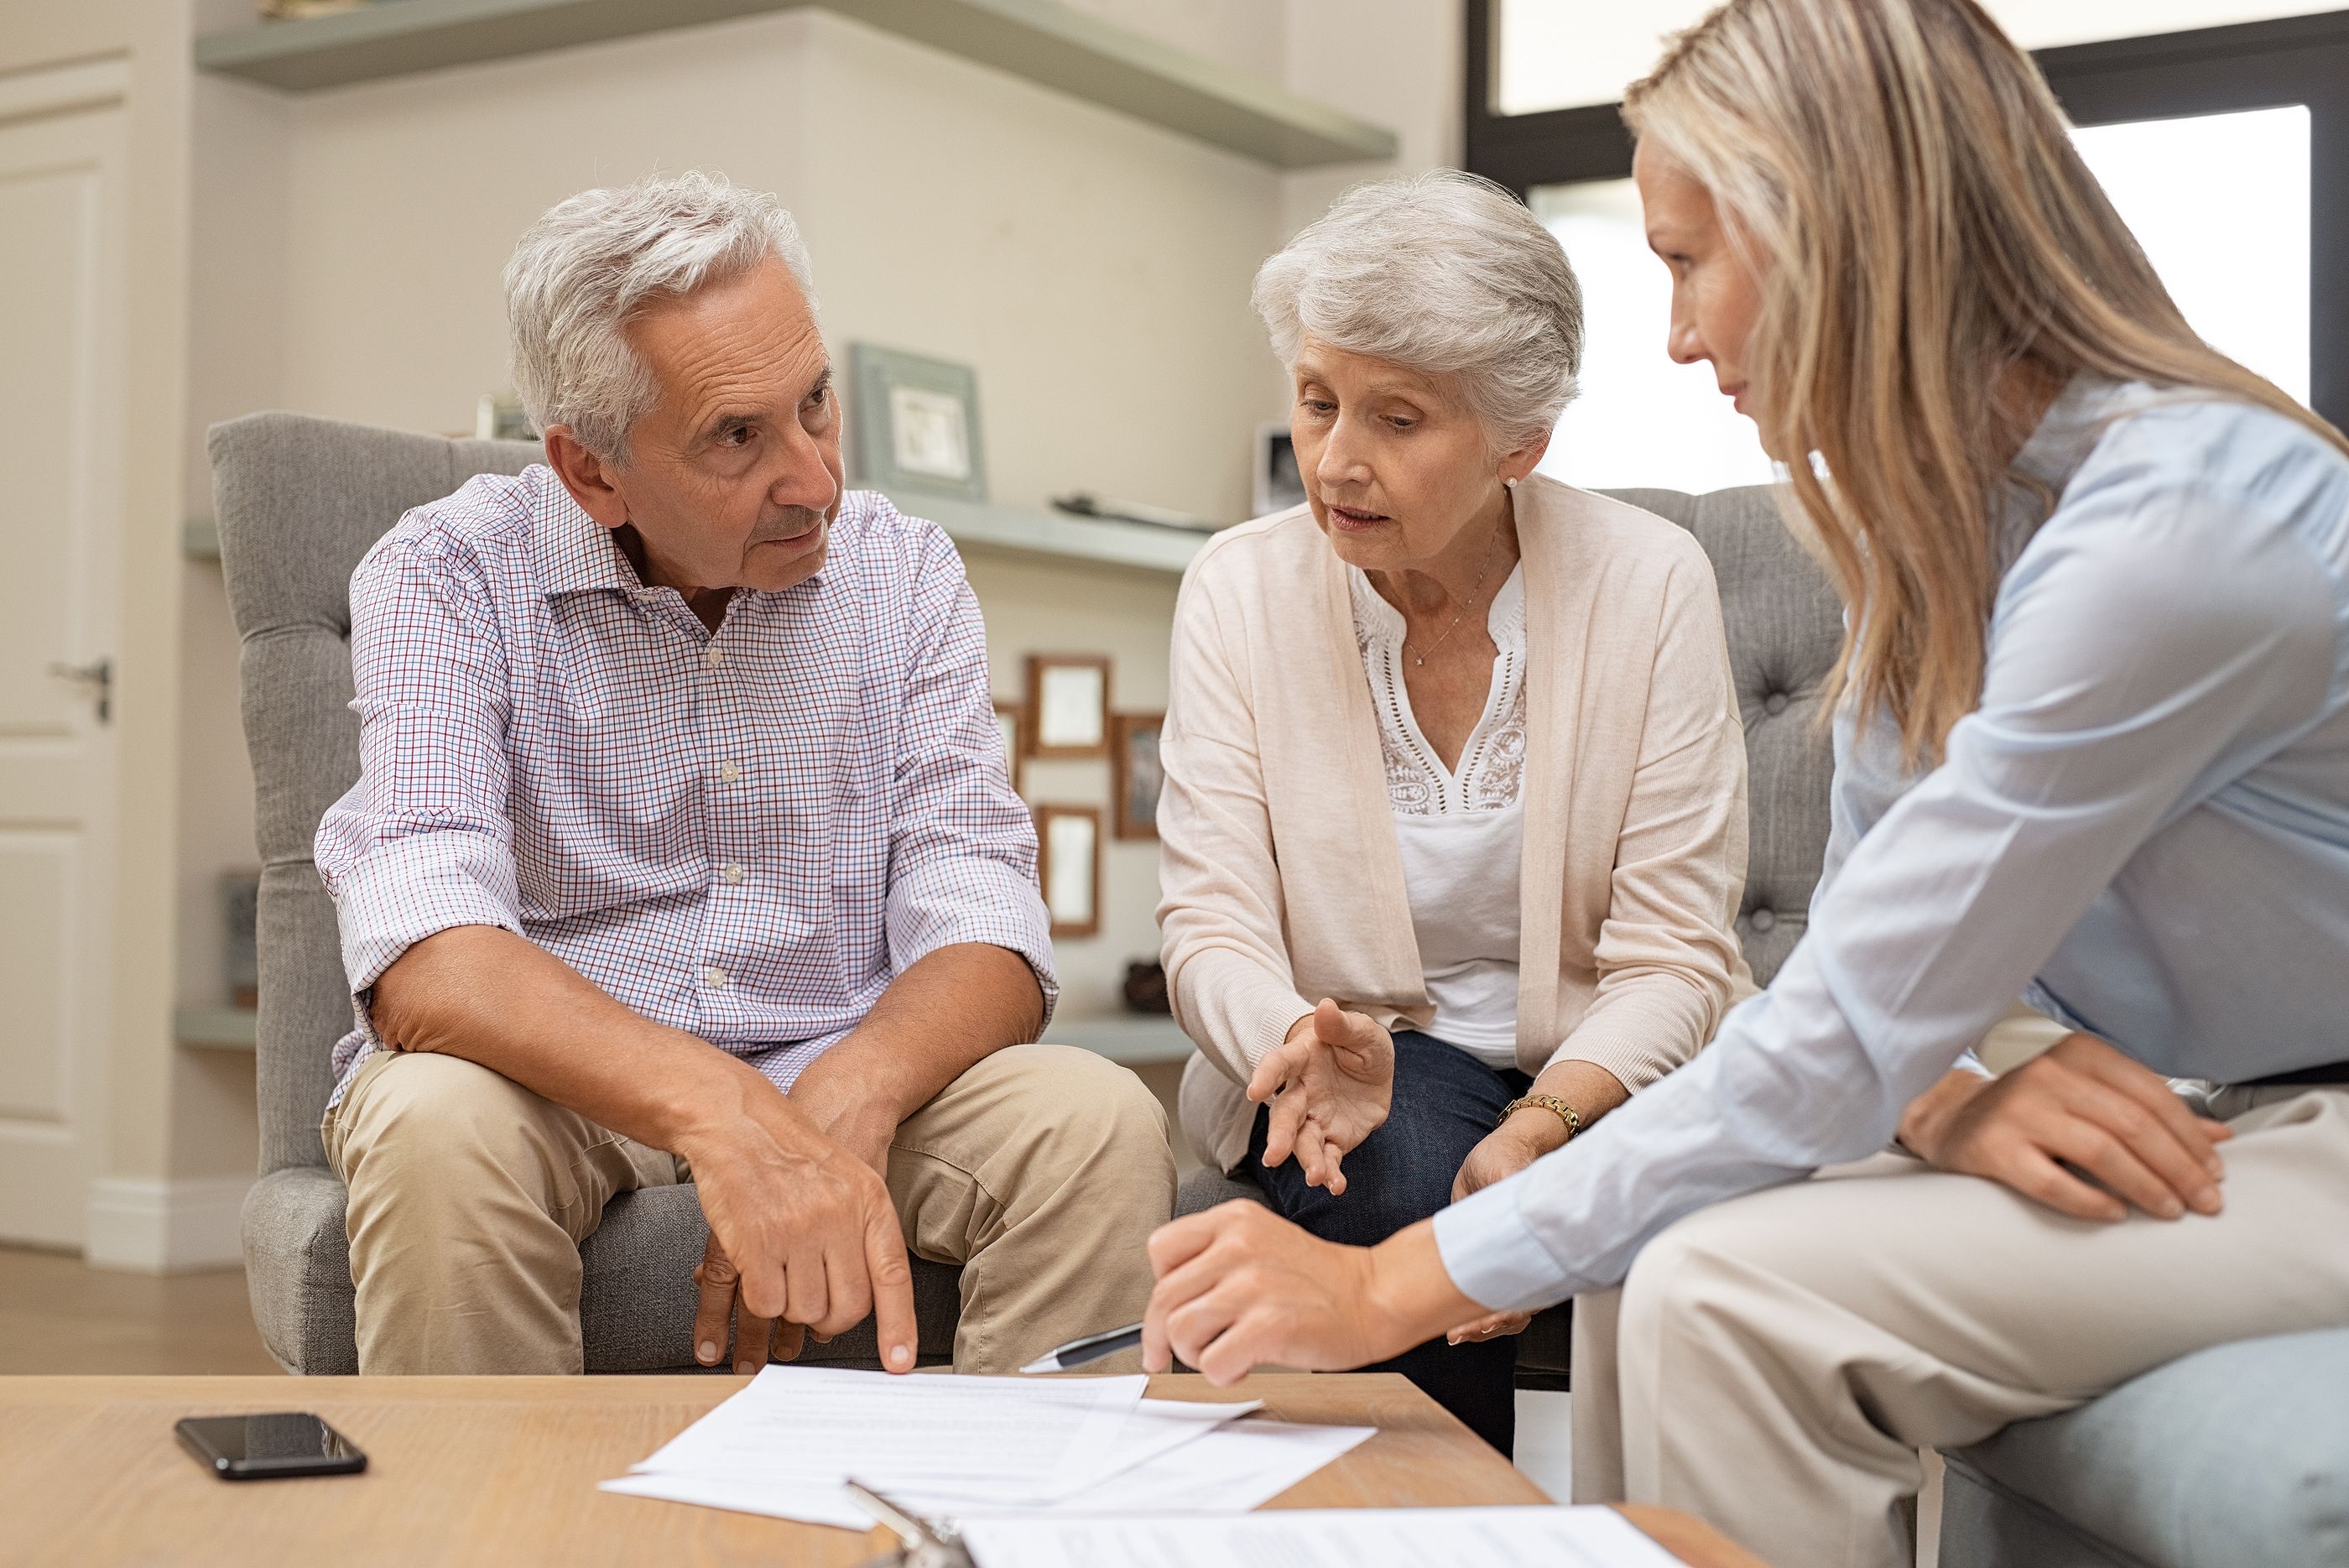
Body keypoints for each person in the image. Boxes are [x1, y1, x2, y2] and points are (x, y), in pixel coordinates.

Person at [1140, 3, 2349, 1562]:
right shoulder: (1948, 549)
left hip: (2313, 1129)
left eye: (1685, 261)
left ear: (1834, 236)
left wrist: (1390, 1283)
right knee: (1667, 1256)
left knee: (1716, 1292)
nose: (1678, 333)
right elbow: (1859, 995)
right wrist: (1944, 1099)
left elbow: (1828, 1023)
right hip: (2209, 1118)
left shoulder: (2176, 532)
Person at [315, 173, 1174, 1378]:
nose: (816, 478)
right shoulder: (445, 576)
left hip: (835, 1052)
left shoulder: (907, 574)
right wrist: (723, 1118)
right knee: (432, 1126)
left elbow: (987, 917)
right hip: (549, 1090)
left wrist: (852, 1091)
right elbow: (429, 954)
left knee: (1095, 1121)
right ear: (591, 471)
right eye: (737, 437)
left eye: (816, 403)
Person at [1155, 170, 1752, 1453]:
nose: (1336, 461)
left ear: (1519, 441)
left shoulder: (1649, 586)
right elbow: (1210, 923)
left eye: (1399, 418)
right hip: (1349, 1072)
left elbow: (1674, 956)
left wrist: (1547, 1119)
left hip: (1607, 1068)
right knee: (1399, 1156)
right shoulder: (1238, 590)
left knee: (1471, 1165)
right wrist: (1297, 1045)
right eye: (1318, 403)